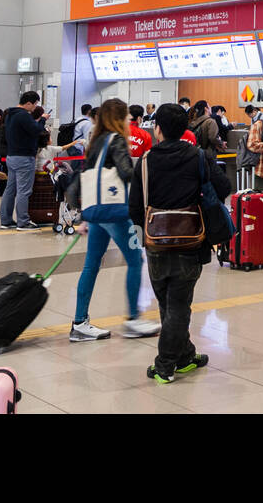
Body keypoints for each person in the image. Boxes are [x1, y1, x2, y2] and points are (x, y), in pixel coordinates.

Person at [129, 103, 210, 383]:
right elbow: (220, 190)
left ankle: (166, 364)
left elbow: (135, 207)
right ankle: (181, 357)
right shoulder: (198, 156)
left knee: (170, 303)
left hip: (156, 243)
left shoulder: (147, 160)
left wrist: (143, 241)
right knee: (176, 304)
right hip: (191, 243)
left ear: (157, 128)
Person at [69, 97, 160, 342]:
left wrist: (83, 216)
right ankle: (133, 319)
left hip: (96, 213)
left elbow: (84, 178)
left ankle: (80, 322)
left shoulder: (95, 141)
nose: (130, 121)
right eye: (127, 116)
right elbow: (126, 172)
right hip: (115, 212)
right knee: (135, 260)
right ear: (119, 118)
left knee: (91, 265)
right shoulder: (117, 140)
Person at [0, 92, 48, 231]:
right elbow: (36, 130)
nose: (35, 107)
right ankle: (23, 221)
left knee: (10, 189)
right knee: (24, 191)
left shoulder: (10, 114)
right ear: (28, 103)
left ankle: (6, 220)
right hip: (24, 157)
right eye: (35, 104)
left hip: (12, 156)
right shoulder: (23, 115)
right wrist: (43, 120)